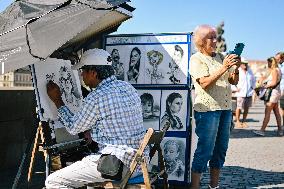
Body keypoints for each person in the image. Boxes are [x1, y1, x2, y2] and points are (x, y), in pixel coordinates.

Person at [45, 48, 146, 188]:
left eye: (82, 71)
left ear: (93, 73)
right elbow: (115, 120)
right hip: (139, 164)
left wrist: (57, 100)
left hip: (116, 165)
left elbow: (73, 127)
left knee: (53, 181)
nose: (81, 75)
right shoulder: (128, 88)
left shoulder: (97, 97)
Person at [189, 24, 240, 189]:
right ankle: (195, 187)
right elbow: (204, 83)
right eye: (211, 37)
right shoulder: (196, 59)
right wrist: (224, 67)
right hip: (208, 110)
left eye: (215, 36)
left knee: (220, 150)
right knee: (205, 150)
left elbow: (233, 81)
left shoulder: (220, 57)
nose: (215, 40)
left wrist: (235, 70)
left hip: (225, 109)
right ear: (201, 41)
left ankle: (214, 186)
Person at [253, 57, 283, 137]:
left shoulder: (274, 70)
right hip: (276, 92)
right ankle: (280, 130)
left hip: (272, 93)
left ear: (270, 62)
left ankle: (262, 130)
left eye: (268, 63)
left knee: (267, 111)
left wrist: (263, 86)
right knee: (276, 112)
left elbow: (273, 82)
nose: (267, 64)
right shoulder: (278, 69)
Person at [232, 57, 256, 128]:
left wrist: (253, 87)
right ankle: (238, 121)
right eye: (243, 64)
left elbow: (253, 80)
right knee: (239, 108)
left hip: (249, 93)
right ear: (240, 64)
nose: (245, 65)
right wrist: (235, 89)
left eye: (246, 64)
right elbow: (232, 82)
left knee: (246, 108)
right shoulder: (237, 70)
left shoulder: (250, 71)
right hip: (240, 93)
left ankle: (244, 121)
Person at [275, 52, 284, 127]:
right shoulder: (279, 66)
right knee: (281, 108)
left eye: (278, 59)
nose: (276, 60)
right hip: (280, 90)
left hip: (283, 90)